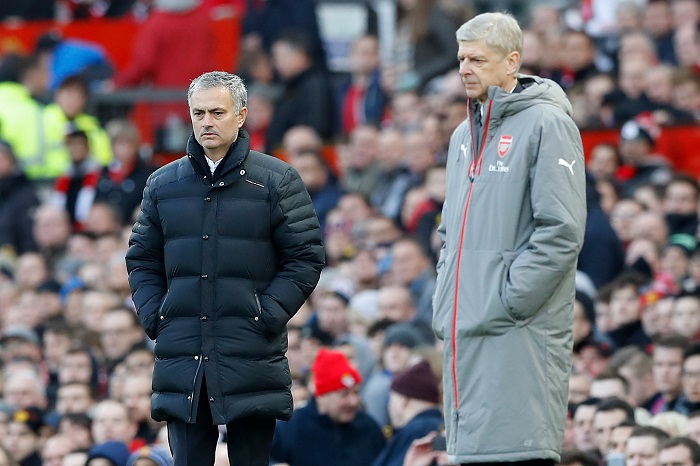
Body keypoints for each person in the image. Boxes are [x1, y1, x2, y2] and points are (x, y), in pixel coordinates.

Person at [125, 71, 325, 466]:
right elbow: (141, 258)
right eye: (198, 113)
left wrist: (265, 314)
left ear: (242, 115)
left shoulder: (277, 180)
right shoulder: (162, 183)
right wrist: (156, 316)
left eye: (217, 112)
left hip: (249, 350)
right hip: (182, 352)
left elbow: (306, 256)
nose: (206, 122)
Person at [431, 12, 587, 465]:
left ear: (512, 61)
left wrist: (506, 300)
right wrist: (448, 301)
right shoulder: (463, 134)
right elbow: (449, 233)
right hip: (467, 336)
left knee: (517, 454)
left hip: (516, 332)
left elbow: (561, 231)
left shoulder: (548, 124)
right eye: (461, 58)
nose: (464, 68)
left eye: (477, 59)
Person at [270, 348, 386, 465]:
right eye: (344, 394)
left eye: (356, 392)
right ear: (321, 396)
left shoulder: (369, 427)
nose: (354, 401)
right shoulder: (290, 429)